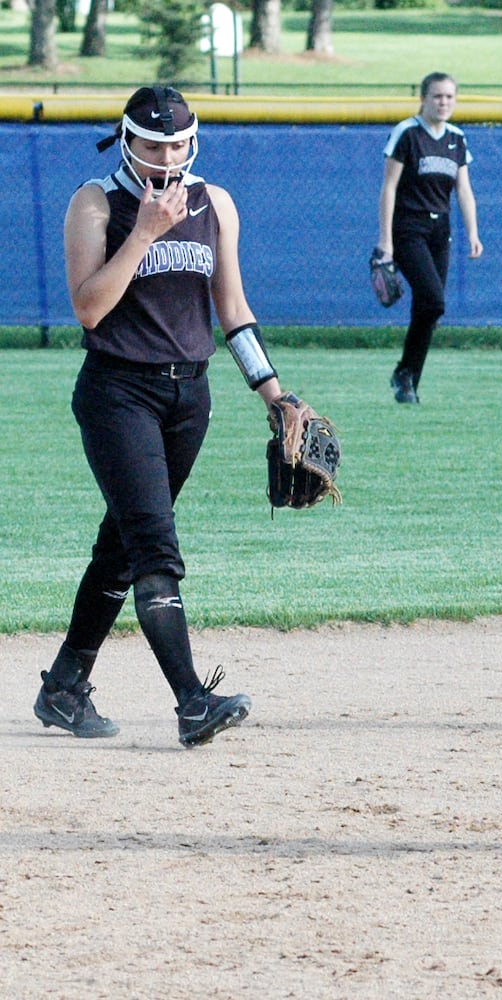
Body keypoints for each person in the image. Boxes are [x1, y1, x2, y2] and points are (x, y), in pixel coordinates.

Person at [39, 85, 306, 747]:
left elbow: (233, 310)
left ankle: (65, 689)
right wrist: (145, 233)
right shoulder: (96, 202)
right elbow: (89, 309)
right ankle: (192, 701)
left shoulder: (214, 204)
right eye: (151, 142)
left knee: (123, 547)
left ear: (194, 143)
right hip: (117, 393)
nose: (165, 155)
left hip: (190, 397)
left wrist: (275, 394)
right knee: (155, 544)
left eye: (177, 143)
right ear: (125, 139)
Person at [376, 71, 483, 404]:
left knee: (429, 308)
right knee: (434, 301)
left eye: (450, 96)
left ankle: (407, 380)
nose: (443, 102)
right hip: (409, 228)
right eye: (437, 96)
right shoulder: (407, 133)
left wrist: (473, 232)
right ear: (423, 98)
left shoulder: (456, 137)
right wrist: (386, 242)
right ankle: (405, 373)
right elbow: (389, 188)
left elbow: (463, 190)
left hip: (441, 231)